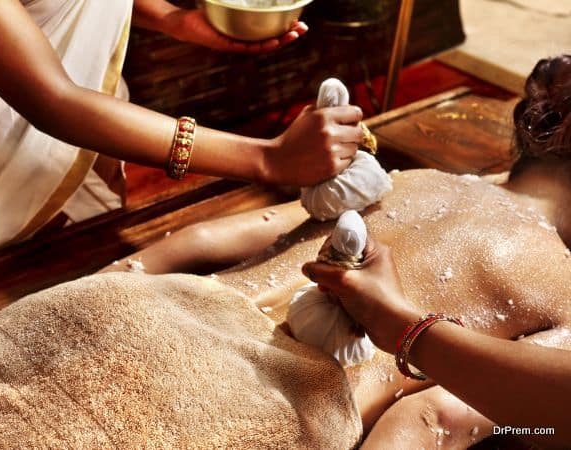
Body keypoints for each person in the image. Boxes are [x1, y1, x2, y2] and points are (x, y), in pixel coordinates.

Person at [101, 55, 571, 448]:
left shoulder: (407, 181)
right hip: (253, 410)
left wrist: (98, 291)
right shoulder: (563, 292)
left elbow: (202, 239)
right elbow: (433, 421)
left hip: (155, 315)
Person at [0, 0, 362, 259]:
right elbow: (53, 100)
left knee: (92, 244)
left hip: (83, 127)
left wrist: (171, 19)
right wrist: (266, 159)